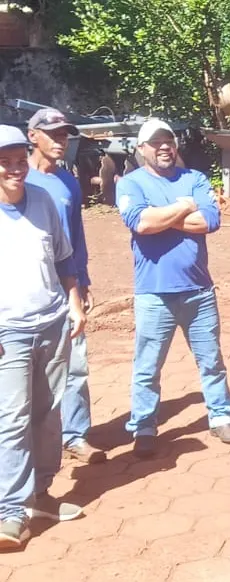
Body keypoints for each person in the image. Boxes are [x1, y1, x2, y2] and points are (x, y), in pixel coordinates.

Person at [116, 118, 230, 459]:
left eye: (168, 140)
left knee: (211, 359)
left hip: (198, 290)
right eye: (155, 142)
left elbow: (210, 221)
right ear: (141, 150)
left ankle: (221, 415)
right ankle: (143, 426)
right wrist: (185, 206)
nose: (163, 147)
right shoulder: (130, 184)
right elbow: (141, 223)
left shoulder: (195, 179)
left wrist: (163, 217)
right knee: (147, 367)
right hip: (154, 293)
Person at [0, 125, 87, 548]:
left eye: (19, 160)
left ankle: (42, 495)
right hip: (7, 332)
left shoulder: (45, 201)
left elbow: (63, 259)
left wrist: (74, 302)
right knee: (12, 419)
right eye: (5, 162)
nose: (15, 169)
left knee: (49, 413)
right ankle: (10, 510)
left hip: (51, 321)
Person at [26, 108, 105, 465]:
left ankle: (76, 435)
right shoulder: (14, 177)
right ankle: (29, 444)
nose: (61, 141)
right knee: (27, 374)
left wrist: (82, 282)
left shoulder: (68, 183)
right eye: (53, 134)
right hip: (24, 290)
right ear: (33, 136)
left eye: (65, 135)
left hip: (66, 288)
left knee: (75, 366)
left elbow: (77, 237)